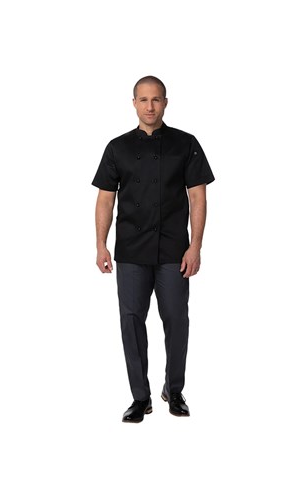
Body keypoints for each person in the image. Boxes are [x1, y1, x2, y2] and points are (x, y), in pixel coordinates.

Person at [92, 75, 215, 423]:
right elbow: (105, 199)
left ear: (165, 103)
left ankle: (174, 390)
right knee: (131, 322)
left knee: (177, 319)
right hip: (131, 250)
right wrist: (100, 244)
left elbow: (198, 197)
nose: (150, 106)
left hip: (174, 249)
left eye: (156, 99)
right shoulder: (116, 148)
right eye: (143, 100)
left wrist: (195, 246)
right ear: (134, 103)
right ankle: (139, 397)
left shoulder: (186, 144)